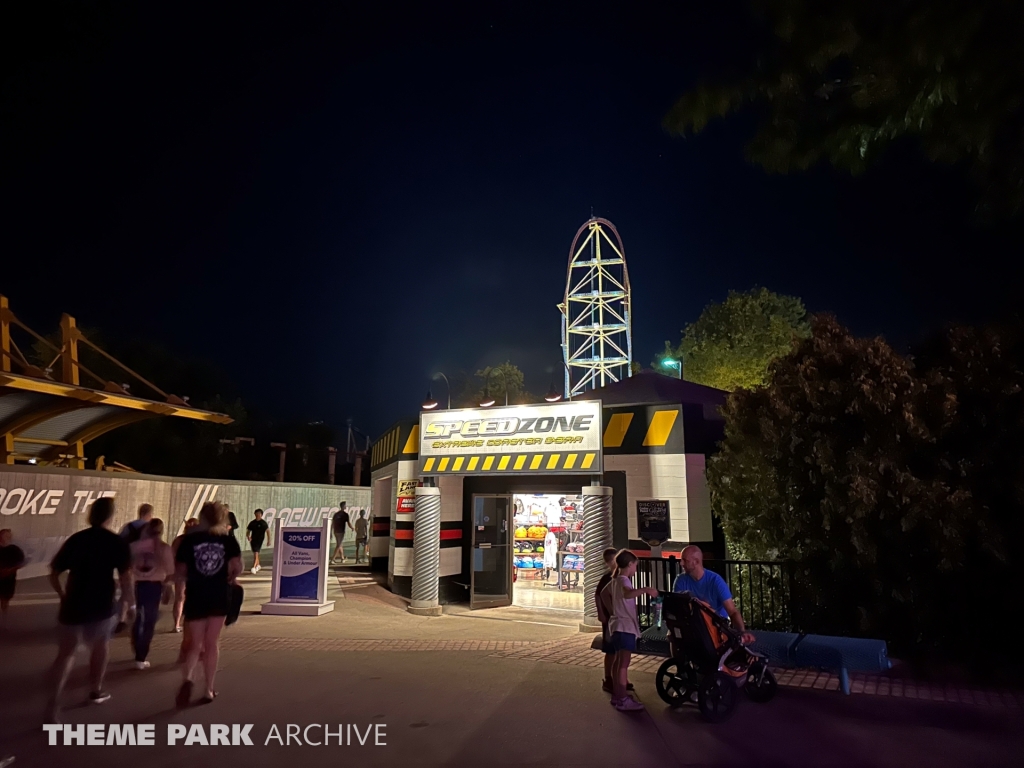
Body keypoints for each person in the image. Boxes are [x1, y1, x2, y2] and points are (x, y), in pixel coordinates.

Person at [47, 497, 133, 721]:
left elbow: (54, 572)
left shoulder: (77, 539)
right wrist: (129, 603)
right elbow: (126, 578)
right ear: (111, 516)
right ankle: (95, 689)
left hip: (73, 604)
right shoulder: (115, 542)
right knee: (100, 647)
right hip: (102, 604)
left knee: (65, 655)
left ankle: (53, 705)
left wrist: (62, 594)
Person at [174, 501, 242, 707]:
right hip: (219, 595)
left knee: (194, 644)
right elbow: (236, 567)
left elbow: (181, 571)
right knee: (212, 644)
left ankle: (188, 678)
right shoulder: (228, 541)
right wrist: (229, 576)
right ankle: (208, 689)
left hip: (195, 595)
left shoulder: (189, 541)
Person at [600, 549, 658, 712]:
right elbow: (628, 594)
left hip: (617, 625)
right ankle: (623, 698)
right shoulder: (624, 581)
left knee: (618, 662)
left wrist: (613, 611)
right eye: (635, 566)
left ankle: (617, 696)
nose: (636, 570)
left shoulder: (615, 580)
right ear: (630, 564)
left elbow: (604, 595)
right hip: (625, 627)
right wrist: (646, 590)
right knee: (624, 664)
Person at [672, 545, 755, 645]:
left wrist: (742, 632)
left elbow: (732, 611)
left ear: (696, 562)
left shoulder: (716, 581)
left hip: (715, 625)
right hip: (693, 624)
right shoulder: (680, 580)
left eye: (685, 560)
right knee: (672, 633)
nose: (681, 563)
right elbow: (677, 608)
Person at [130, 518, 175, 670]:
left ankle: (136, 647)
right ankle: (141, 656)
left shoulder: (134, 546)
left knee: (138, 618)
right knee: (150, 621)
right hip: (154, 586)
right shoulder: (163, 548)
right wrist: (168, 587)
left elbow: (127, 568)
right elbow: (170, 572)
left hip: (136, 585)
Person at [595, 547, 634, 695]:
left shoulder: (621, 578)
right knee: (611, 649)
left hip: (616, 618)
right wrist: (604, 612)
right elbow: (600, 595)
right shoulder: (608, 578)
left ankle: (621, 679)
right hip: (612, 619)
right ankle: (609, 678)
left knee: (620, 651)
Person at [171, 518, 199, 633]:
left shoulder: (179, 540)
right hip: (196, 572)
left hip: (180, 570)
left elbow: (172, 555)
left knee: (179, 597)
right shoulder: (200, 539)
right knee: (194, 597)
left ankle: (177, 624)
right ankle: (192, 623)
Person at [0, 529, 26, 627]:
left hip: (8, 580)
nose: (8, 538)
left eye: (9, 536)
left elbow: (22, 562)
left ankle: (4, 621)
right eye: (6, 536)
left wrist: (11, 570)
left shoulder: (14, 549)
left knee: (5, 599)